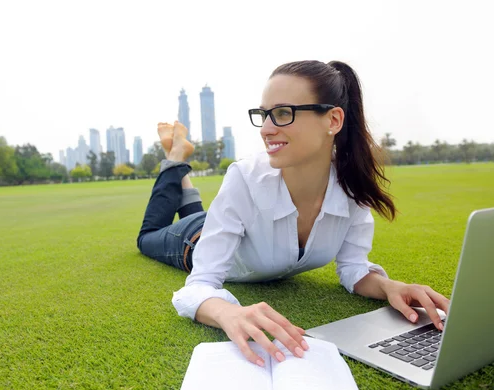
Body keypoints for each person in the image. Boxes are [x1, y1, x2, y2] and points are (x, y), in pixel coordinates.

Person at [137, 60, 450, 368]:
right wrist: (226, 312)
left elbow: (354, 269)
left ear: (333, 120)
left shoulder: (352, 186)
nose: (267, 129)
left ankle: (182, 173)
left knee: (206, 214)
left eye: (283, 113)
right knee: (148, 236)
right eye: (264, 115)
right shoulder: (245, 177)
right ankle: (175, 158)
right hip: (192, 240)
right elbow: (199, 284)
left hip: (226, 225)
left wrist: (389, 286)